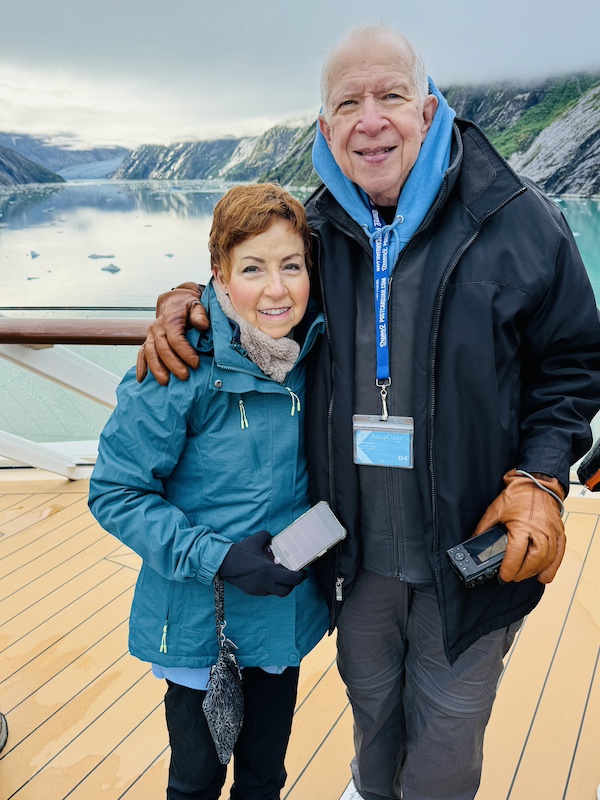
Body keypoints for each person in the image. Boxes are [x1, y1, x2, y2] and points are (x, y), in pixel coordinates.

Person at [135, 26, 600, 800]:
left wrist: (541, 477)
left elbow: (574, 363)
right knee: (373, 705)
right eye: (348, 103)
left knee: (448, 726)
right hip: (354, 550)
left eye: (390, 96)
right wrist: (191, 301)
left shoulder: (520, 220)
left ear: (428, 108)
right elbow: (259, 288)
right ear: (325, 129)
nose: (370, 119)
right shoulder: (315, 233)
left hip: (473, 539)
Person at [89, 183, 329, 800]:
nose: (276, 289)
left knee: (264, 776)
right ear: (218, 277)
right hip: (201, 625)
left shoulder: (317, 353)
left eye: (291, 265)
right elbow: (116, 491)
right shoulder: (177, 368)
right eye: (252, 268)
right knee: (194, 780)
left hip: (283, 616)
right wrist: (219, 556)